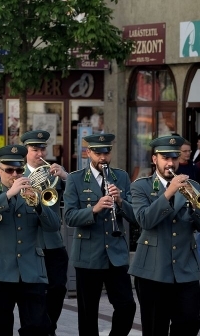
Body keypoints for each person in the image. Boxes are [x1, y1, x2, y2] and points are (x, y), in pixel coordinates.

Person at [129, 135, 200, 336]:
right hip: (153, 270)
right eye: (165, 157)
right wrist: (169, 193)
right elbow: (144, 220)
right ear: (154, 159)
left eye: (174, 157)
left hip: (185, 268)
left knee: (191, 322)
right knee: (156, 327)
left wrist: (195, 207)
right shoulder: (141, 186)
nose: (170, 163)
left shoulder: (193, 186)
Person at [63, 133, 137, 336]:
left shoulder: (120, 176)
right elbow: (69, 217)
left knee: (127, 306)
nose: (103, 158)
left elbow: (134, 216)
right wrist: (94, 209)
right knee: (88, 314)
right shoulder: (76, 179)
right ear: (88, 153)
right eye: (98, 153)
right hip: (88, 254)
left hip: (115, 254)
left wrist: (121, 201)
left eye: (106, 153)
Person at [0, 144, 60, 336]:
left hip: (31, 270)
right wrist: (9, 194)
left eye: (19, 169)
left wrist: (39, 205)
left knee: (37, 327)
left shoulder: (34, 191)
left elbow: (54, 226)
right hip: (0, 271)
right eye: (10, 170)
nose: (15, 174)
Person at [20, 130, 69, 336]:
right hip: (31, 243)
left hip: (53, 241)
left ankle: (49, 327)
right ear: (26, 152)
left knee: (58, 289)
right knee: (35, 293)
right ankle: (37, 330)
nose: (40, 153)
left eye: (42, 149)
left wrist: (67, 177)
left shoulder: (54, 173)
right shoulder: (17, 172)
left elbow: (74, 197)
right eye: (35, 149)